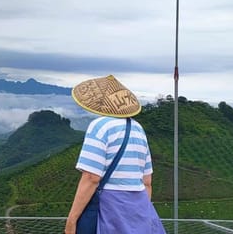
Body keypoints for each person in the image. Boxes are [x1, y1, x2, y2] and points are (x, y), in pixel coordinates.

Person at [64, 75, 165, 234]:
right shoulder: (138, 128)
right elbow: (147, 182)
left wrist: (71, 220)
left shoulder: (100, 126)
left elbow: (92, 178)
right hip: (140, 208)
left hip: (111, 208)